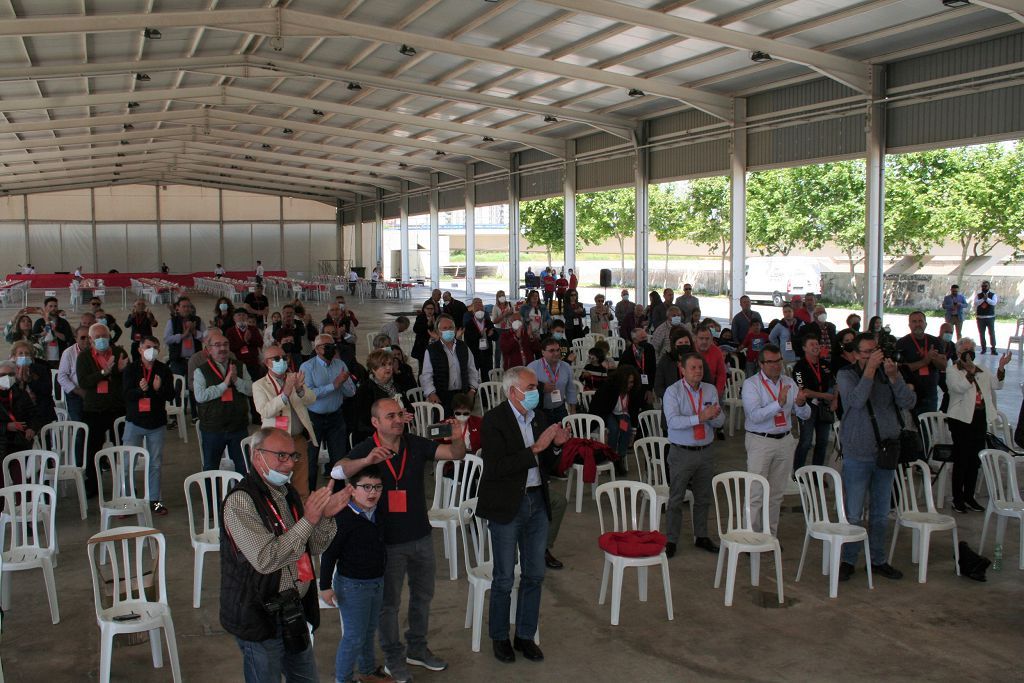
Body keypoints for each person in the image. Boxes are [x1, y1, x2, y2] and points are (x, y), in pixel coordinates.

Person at [340, 398, 467, 681]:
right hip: (387, 542)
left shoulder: (416, 443)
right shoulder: (367, 448)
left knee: (423, 596)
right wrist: (366, 461)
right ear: (375, 422)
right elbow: (339, 469)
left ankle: (417, 648)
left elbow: (455, 454)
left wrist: (458, 439)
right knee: (390, 605)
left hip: (420, 535)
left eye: (400, 414)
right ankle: (393, 657)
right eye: (390, 416)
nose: (398, 420)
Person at [221, 428, 349, 683]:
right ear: (257, 456)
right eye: (281, 456)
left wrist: (325, 516)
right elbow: (266, 558)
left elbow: (312, 546)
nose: (289, 464)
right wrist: (309, 519)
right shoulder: (241, 502)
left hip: (294, 610)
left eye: (293, 456)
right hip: (260, 614)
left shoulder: (286, 492)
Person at [477, 367, 570, 665]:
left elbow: (549, 466)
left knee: (535, 574)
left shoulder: (539, 417)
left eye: (536, 387)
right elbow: (496, 467)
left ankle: (525, 635)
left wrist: (555, 448)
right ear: (512, 391)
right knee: (504, 577)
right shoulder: (494, 420)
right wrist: (536, 448)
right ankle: (500, 636)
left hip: (536, 503)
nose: (535, 392)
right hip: (508, 505)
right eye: (530, 387)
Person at [835, 333, 915, 582]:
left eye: (875, 351)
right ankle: (849, 559)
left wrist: (894, 377)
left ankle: (878, 559)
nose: (873, 356)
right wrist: (869, 371)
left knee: (880, 513)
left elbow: (908, 401)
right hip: (858, 453)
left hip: (886, 453)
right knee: (855, 513)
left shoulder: (887, 373)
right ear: (856, 354)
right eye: (867, 352)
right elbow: (855, 402)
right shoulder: (846, 375)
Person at [319, 464, 390, 683]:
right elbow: (329, 554)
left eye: (377, 487)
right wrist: (325, 586)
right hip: (353, 586)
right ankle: (343, 679)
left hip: (376, 582)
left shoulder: (379, 513)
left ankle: (367, 672)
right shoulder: (344, 518)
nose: (372, 493)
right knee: (354, 637)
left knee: (368, 632)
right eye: (366, 487)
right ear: (351, 489)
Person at [741, 344, 810, 536]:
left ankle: (770, 535)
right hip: (760, 441)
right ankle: (750, 535)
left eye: (778, 361)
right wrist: (778, 404)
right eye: (770, 362)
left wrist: (802, 404)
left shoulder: (788, 382)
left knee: (776, 494)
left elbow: (804, 415)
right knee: (756, 491)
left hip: (785, 440)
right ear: (761, 364)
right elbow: (754, 416)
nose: (775, 365)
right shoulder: (751, 384)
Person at [662, 352, 724, 558]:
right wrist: (700, 417)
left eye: (700, 368)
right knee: (676, 498)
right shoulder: (673, 392)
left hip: (705, 451)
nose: (698, 371)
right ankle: (671, 539)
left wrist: (714, 417)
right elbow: (673, 422)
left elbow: (720, 420)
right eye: (693, 368)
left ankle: (701, 535)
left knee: (703, 497)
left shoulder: (710, 389)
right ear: (683, 370)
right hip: (682, 452)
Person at [945, 338, 1008, 514]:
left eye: (971, 349)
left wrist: (1002, 367)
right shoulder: (953, 370)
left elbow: (997, 384)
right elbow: (958, 388)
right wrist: (970, 373)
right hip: (961, 420)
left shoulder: (982, 369)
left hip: (979, 419)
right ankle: (957, 499)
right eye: (964, 350)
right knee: (961, 460)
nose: (968, 353)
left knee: (974, 461)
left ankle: (969, 496)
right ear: (958, 353)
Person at [255, 344, 318, 499]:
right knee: (276, 483)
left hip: (297, 440)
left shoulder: (294, 377)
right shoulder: (260, 385)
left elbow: (311, 399)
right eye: (276, 358)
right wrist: (285, 394)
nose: (281, 361)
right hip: (275, 444)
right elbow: (265, 411)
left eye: (284, 358)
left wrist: (299, 389)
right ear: (266, 363)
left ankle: (303, 515)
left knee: (301, 483)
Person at [77, 322, 130, 497]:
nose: (101, 340)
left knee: (122, 448)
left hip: (117, 408)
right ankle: (92, 485)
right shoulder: (84, 357)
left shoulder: (118, 353)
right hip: (94, 409)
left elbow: (128, 379)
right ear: (91, 340)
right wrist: (103, 372)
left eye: (104, 336)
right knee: (92, 449)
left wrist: (121, 371)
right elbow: (84, 382)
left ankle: (124, 485)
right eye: (97, 337)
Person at [300, 334, 356, 489]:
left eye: (333, 345)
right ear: (317, 349)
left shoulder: (340, 364)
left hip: (335, 417)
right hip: (314, 418)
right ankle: (310, 495)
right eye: (327, 346)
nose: (331, 349)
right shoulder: (307, 367)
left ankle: (337, 495)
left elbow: (351, 392)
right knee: (311, 459)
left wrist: (343, 383)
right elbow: (309, 395)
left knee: (338, 460)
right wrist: (334, 385)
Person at [195, 332, 253, 474]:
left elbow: (251, 390)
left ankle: (242, 495)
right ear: (208, 349)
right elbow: (200, 396)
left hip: (238, 426)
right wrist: (224, 384)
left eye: (225, 344)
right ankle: (211, 496)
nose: (222, 348)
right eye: (217, 345)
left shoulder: (239, 366)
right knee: (210, 468)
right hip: (213, 428)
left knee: (244, 467)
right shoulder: (201, 371)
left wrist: (235, 380)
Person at [792, 335, 835, 471]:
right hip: (808, 407)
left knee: (822, 442)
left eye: (817, 344)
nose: (816, 346)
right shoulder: (799, 367)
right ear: (804, 348)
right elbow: (803, 390)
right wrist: (825, 395)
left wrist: (835, 399)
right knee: (806, 441)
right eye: (812, 344)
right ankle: (798, 473)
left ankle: (817, 474)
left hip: (825, 407)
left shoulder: (826, 364)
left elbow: (835, 383)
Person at [420, 315, 479, 415]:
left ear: (455, 329)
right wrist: (431, 393)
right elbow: (426, 375)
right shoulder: (431, 350)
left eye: (451, 328)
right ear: (438, 332)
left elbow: (472, 370)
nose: (448, 330)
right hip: (441, 397)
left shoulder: (463, 347)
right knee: (443, 426)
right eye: (445, 328)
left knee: (462, 425)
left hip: (462, 395)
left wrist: (472, 390)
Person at [352, 350, 413, 444]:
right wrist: (394, 418)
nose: (388, 368)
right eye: (383, 365)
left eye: (390, 364)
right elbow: (362, 422)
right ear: (373, 369)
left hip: (398, 436)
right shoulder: (365, 389)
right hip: (374, 439)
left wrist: (404, 415)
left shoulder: (396, 386)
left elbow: (410, 409)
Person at [895, 311, 947, 419]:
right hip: (910, 392)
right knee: (912, 429)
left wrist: (934, 358)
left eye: (920, 321)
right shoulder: (902, 343)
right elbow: (900, 369)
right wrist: (925, 361)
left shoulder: (935, 341)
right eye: (914, 321)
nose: (918, 324)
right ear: (909, 325)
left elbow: (943, 366)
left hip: (930, 392)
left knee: (929, 427)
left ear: (925, 324)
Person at [589, 365, 640, 476]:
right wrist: (604, 428)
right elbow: (598, 409)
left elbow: (634, 410)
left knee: (626, 430)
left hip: (623, 413)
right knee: (613, 429)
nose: (630, 385)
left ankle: (619, 458)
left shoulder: (634, 390)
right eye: (628, 382)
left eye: (632, 382)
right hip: (607, 412)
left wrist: (634, 431)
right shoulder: (608, 388)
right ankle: (610, 457)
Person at [164, 296, 204, 415]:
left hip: (194, 360)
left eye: (188, 306)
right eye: (184, 306)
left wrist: (194, 332)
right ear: (177, 308)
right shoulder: (172, 321)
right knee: (178, 387)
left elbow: (206, 337)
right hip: (178, 359)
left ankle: (194, 414)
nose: (186, 309)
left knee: (194, 386)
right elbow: (167, 339)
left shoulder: (198, 320)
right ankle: (178, 414)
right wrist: (182, 335)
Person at [527, 337, 576, 425]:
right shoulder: (533, 367)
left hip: (560, 410)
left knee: (564, 437)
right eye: (551, 351)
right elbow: (525, 388)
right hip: (540, 411)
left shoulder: (566, 367)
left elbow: (571, 390)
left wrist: (573, 410)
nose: (556, 353)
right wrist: (541, 387)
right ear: (543, 352)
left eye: (558, 350)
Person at [618, 327, 656, 408]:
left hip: (646, 386)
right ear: (634, 340)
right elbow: (621, 373)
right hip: (633, 389)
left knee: (648, 410)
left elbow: (653, 370)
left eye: (646, 337)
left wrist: (650, 389)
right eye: (643, 338)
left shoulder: (650, 348)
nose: (646, 339)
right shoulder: (627, 354)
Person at [33, 296, 74, 368]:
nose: (53, 308)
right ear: (45, 307)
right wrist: (43, 333)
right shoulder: (39, 322)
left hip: (60, 357)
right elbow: (33, 338)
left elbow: (67, 338)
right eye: (50, 306)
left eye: (55, 306)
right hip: (43, 357)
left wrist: (54, 331)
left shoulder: (63, 322)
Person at [653, 327, 696, 396]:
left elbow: (706, 381)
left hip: (694, 401)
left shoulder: (697, 359)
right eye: (680, 342)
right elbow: (658, 387)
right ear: (674, 345)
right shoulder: (665, 360)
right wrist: (671, 397)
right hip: (671, 401)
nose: (683, 345)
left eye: (686, 342)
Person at [463, 298, 496, 380]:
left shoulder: (488, 321)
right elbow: (468, 337)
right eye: (477, 308)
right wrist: (479, 334)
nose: (479, 310)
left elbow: (496, 337)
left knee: (487, 374)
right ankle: (474, 391)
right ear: (473, 309)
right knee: (473, 374)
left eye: (481, 308)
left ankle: (487, 391)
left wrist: (492, 334)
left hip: (487, 353)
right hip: (474, 353)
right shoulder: (469, 322)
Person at [695, 325, 727, 398]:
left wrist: (717, 393)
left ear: (712, 339)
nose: (704, 341)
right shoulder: (690, 350)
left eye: (707, 339)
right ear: (695, 338)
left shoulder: (717, 352)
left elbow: (721, 374)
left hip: (712, 389)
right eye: (701, 338)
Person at [411, 300, 439, 377]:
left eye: (432, 309)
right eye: (428, 308)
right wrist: (428, 324)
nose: (430, 311)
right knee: (423, 369)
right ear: (424, 309)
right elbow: (416, 329)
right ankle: (421, 386)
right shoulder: (421, 317)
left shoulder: (437, 317)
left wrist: (434, 324)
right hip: (422, 348)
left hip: (435, 347)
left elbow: (440, 330)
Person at [973, 280, 998, 354]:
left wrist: (987, 299)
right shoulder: (978, 295)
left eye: (985, 286)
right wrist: (983, 299)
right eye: (983, 286)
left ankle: (993, 349)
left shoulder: (993, 295)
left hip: (990, 317)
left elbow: (994, 303)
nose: (984, 287)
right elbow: (976, 303)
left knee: (992, 333)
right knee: (982, 334)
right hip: (980, 318)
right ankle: (983, 349)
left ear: (989, 287)